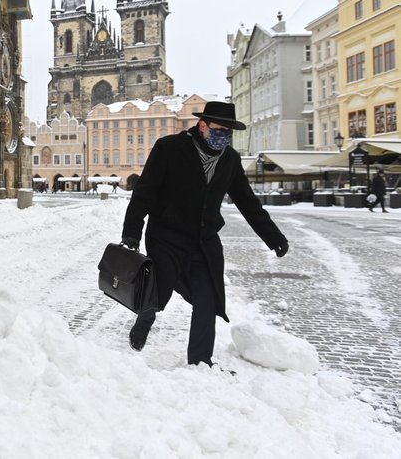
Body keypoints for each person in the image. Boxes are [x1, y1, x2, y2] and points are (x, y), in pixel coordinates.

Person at [120, 101, 290, 368]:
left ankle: (200, 362)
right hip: (166, 236)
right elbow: (144, 193)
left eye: (229, 132)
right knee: (160, 292)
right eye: (219, 129)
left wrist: (274, 237)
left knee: (207, 299)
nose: (224, 136)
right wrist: (131, 233)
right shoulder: (169, 148)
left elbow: (247, 201)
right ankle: (146, 317)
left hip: (204, 241)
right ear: (202, 125)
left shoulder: (230, 160)